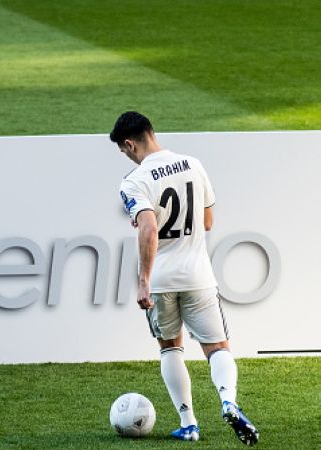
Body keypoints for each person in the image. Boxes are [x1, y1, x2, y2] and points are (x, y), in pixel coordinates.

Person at [110, 111, 259, 446]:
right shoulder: (193, 163)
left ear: (130, 144)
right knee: (217, 348)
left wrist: (144, 280)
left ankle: (189, 423)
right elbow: (207, 222)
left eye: (124, 150)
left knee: (170, 348)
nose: (127, 155)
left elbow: (148, 227)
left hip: (162, 279)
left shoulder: (134, 181)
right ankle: (228, 402)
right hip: (198, 275)